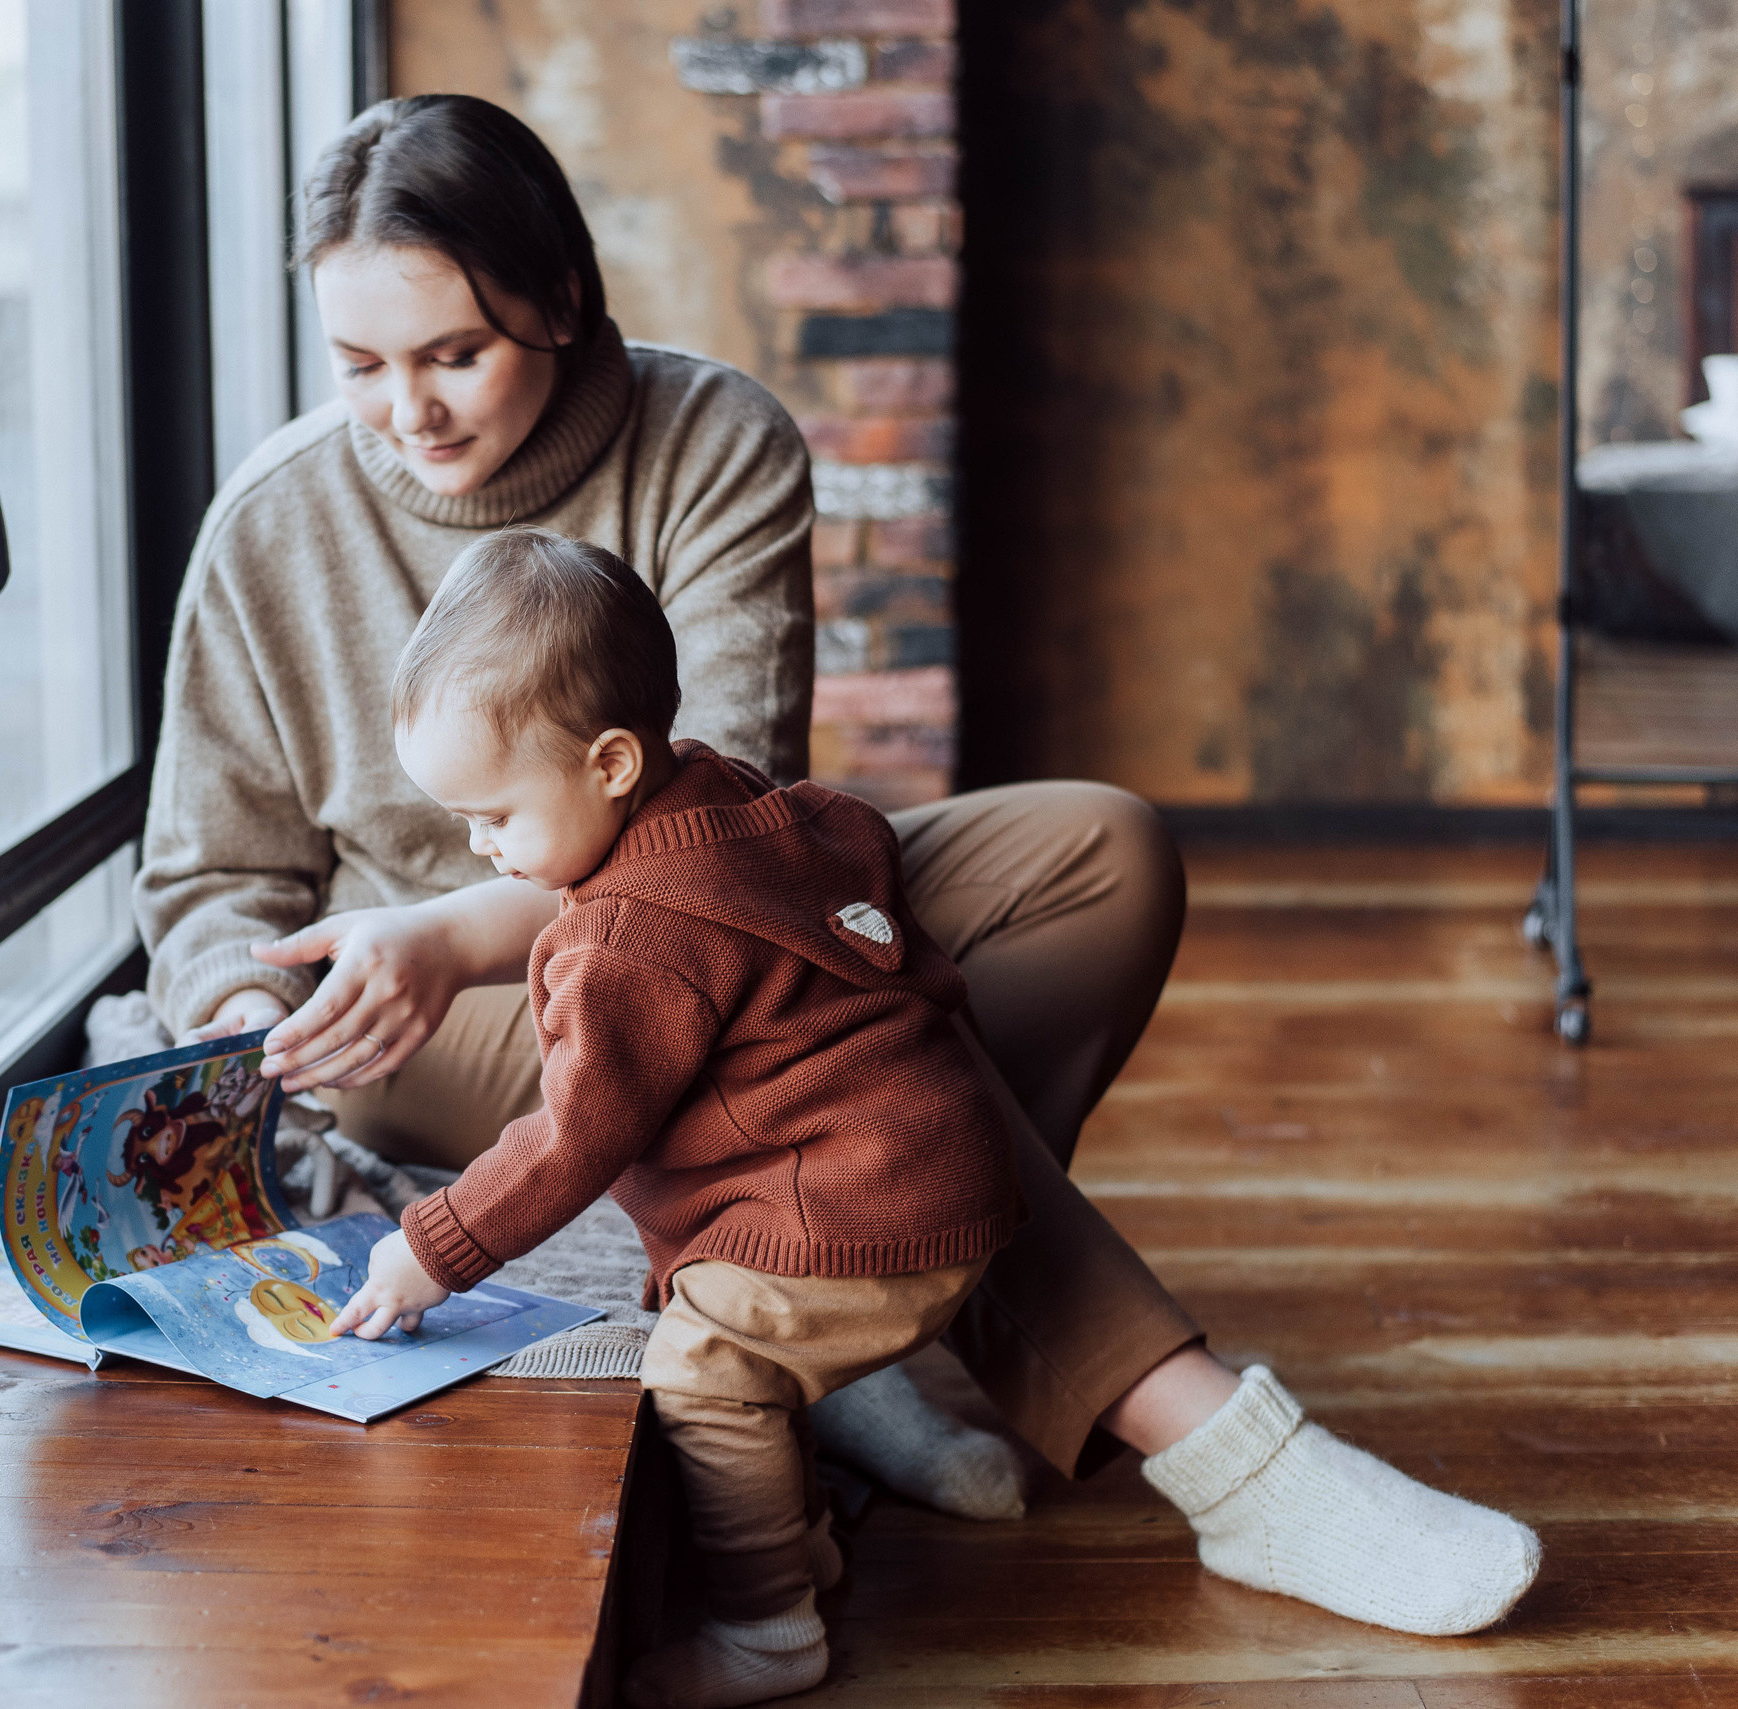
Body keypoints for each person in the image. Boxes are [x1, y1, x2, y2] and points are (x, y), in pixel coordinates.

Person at [134, 90, 1540, 1642]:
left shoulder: (712, 440)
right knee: (859, 1049)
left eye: (454, 353)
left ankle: (810, 1300)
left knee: (1101, 854)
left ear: (562, 299)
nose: (408, 411)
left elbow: (718, 842)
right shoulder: (271, 525)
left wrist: (465, 922)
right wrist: (259, 1012)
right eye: (358, 366)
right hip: (437, 1017)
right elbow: (206, 881)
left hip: (689, 915)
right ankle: (1217, 1448)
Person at [330, 527, 1028, 1706]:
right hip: (936, 1160)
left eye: (493, 815)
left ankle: (769, 1625)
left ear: (610, 762)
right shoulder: (734, 791)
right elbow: (859, 833)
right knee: (737, 1344)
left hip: (856, 1204)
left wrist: (432, 1245)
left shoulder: (625, 938)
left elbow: (571, 1137)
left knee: (705, 1369)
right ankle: (804, 1544)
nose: (478, 848)